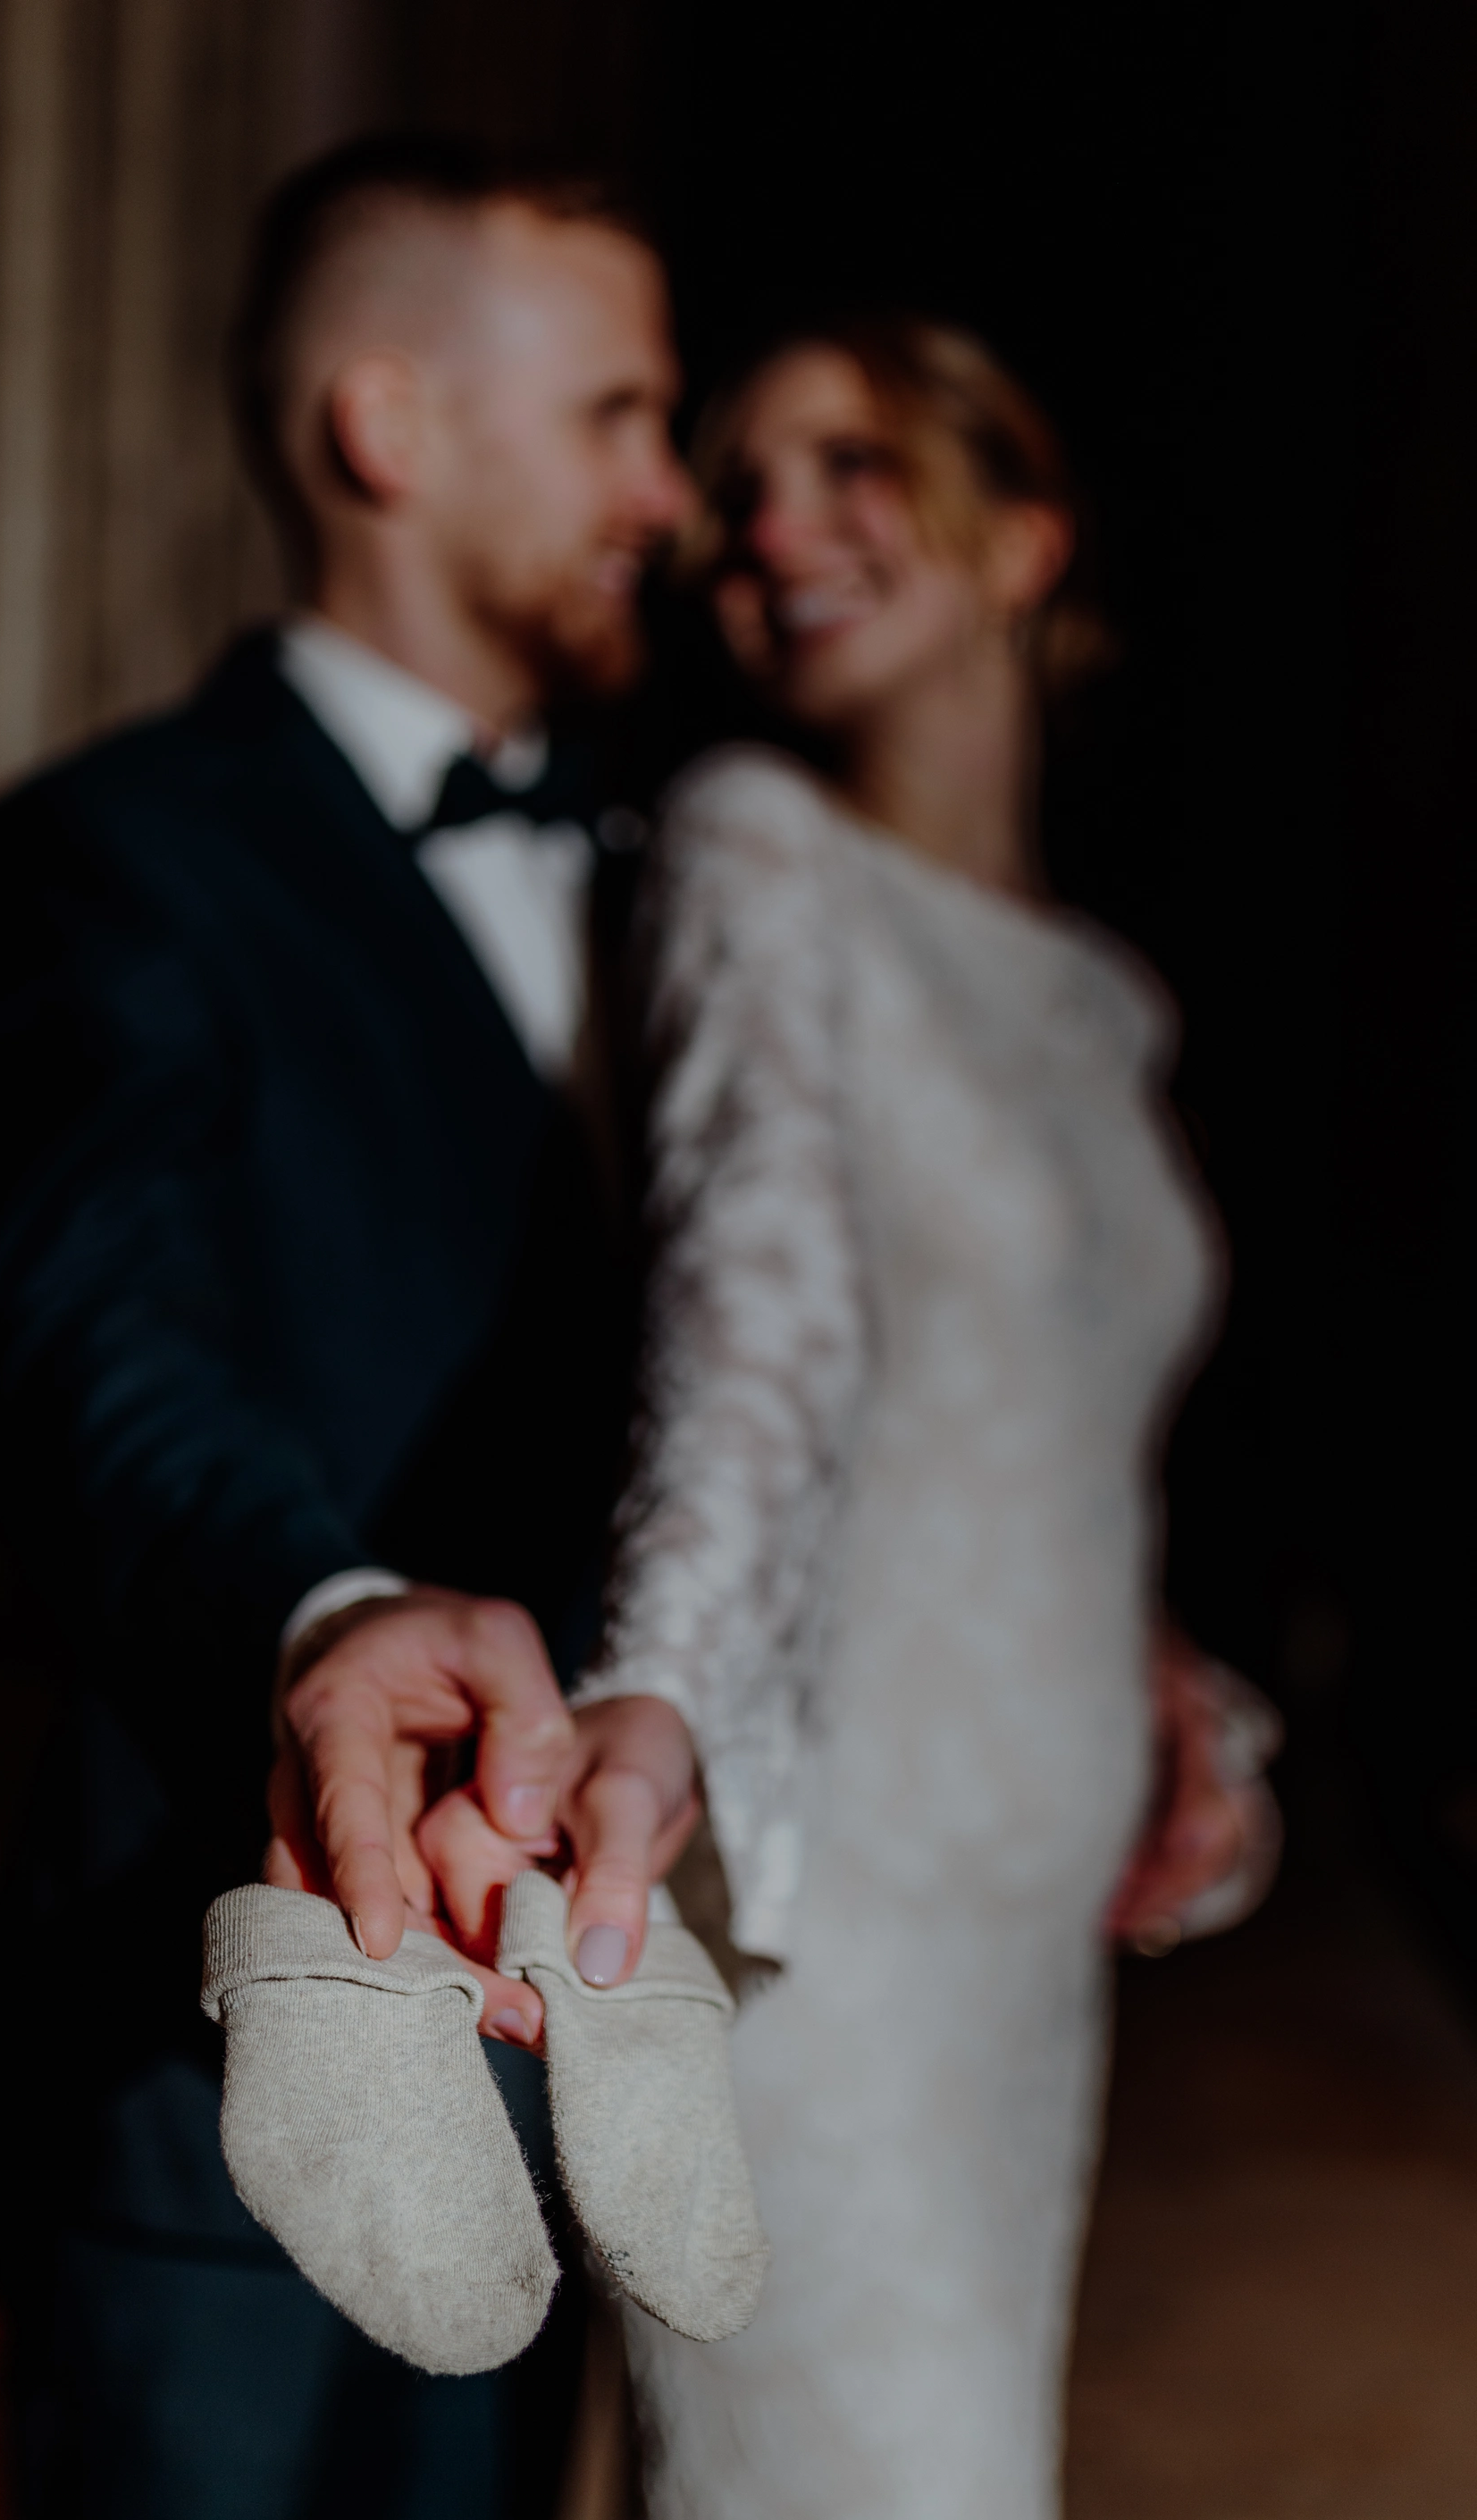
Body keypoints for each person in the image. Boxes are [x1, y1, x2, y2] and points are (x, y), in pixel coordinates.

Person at [417, 315, 1274, 2517]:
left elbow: (1038, 1421)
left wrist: (1158, 1679)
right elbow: (755, 1316)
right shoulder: (754, 846)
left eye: (849, 464)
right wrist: (664, 1697)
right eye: (737, 498)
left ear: (1025, 536)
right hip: (826, 1908)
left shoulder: (1105, 998)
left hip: (1032, 1931)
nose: (772, 532)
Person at [0, 134, 691, 2519]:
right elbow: (98, 1334)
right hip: (227, 2046)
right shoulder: (120, 851)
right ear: (390, 425)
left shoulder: (689, 865)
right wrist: (322, 1610)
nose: (669, 495)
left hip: (585, 2021)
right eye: (616, 415)